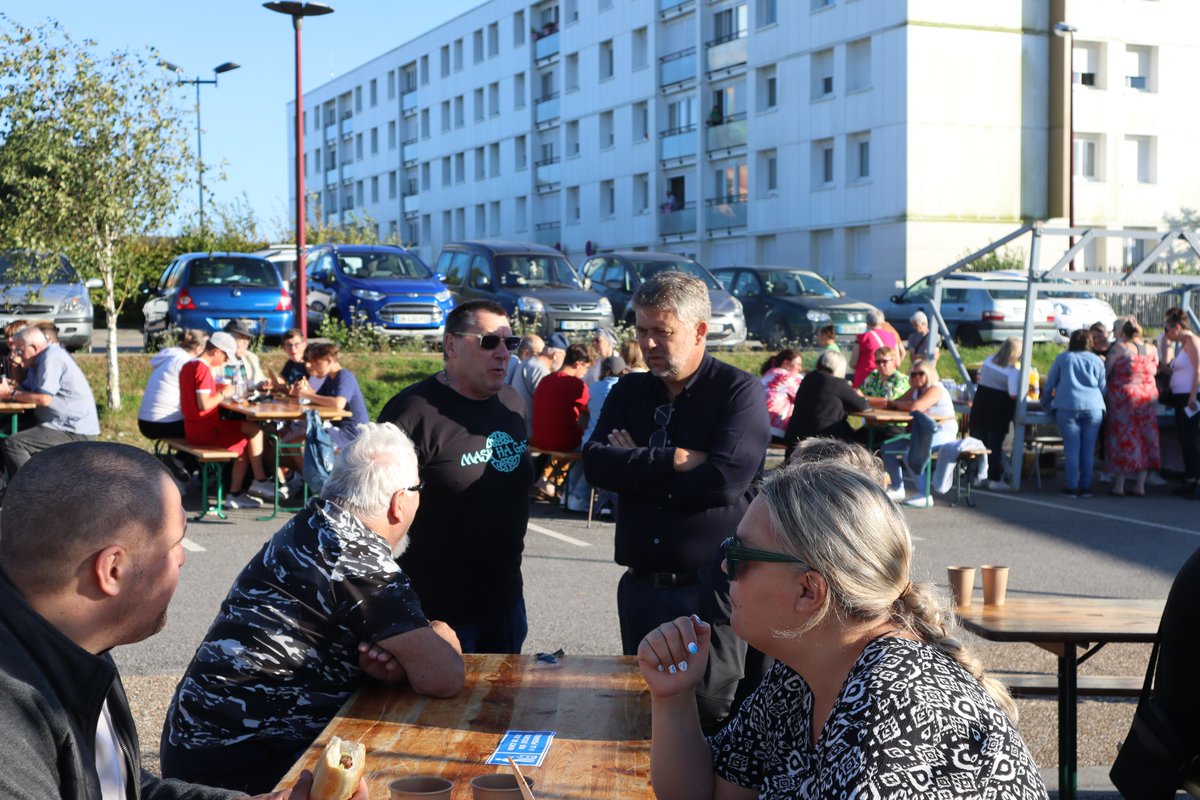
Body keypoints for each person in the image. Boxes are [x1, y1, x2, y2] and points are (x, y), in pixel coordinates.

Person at [636, 459, 1046, 799]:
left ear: (808, 590)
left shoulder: (895, 715)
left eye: (739, 552)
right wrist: (673, 698)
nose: (725, 566)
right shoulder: (802, 673)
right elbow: (708, 795)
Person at [0, 441, 337, 800]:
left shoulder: (78, 642)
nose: (181, 559)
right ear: (112, 569)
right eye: (174, 544)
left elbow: (125, 790)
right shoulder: (10, 726)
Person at [160, 423, 463, 794]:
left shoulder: (316, 522)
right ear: (399, 502)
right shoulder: (358, 557)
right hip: (240, 766)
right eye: (419, 490)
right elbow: (444, 675)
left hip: (195, 746)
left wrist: (391, 665)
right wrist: (442, 631)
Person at [582, 271, 770, 728]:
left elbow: (723, 480)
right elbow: (595, 464)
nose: (647, 344)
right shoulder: (629, 391)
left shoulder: (737, 392)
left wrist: (636, 466)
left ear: (699, 330)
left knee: (711, 716)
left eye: (661, 332)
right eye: (641, 331)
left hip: (711, 592)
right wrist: (676, 459)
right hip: (642, 590)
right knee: (644, 717)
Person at [378, 300, 534, 653]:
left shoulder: (512, 404)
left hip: (506, 603)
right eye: (488, 342)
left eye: (510, 343)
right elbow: (373, 512)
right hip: (436, 614)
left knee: (502, 706)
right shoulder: (413, 412)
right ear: (451, 345)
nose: (502, 353)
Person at [179, 332, 276, 508]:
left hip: (194, 428)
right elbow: (204, 404)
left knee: (249, 431)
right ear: (217, 351)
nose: (224, 362)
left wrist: (220, 388)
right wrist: (224, 393)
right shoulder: (202, 369)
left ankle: (242, 490)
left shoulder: (188, 366)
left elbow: (198, 394)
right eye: (225, 356)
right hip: (207, 431)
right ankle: (254, 483)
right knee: (252, 432)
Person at [0, 325, 100, 479]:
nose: (17, 354)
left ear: (33, 347)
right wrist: (15, 368)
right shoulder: (36, 360)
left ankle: (30, 493)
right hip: (57, 424)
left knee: (14, 444)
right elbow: (25, 388)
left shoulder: (51, 357)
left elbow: (44, 398)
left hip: (73, 429)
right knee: (5, 430)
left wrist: (10, 394)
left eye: (19, 351)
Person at [880, 358, 959, 507]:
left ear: (929, 373)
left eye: (920, 373)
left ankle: (925, 495)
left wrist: (899, 404)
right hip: (921, 432)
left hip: (942, 432)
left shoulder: (936, 389)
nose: (916, 377)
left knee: (911, 452)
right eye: (913, 374)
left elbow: (914, 407)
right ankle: (897, 488)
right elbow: (896, 403)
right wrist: (898, 404)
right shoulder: (916, 390)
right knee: (887, 448)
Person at [1044, 329, 1107, 498]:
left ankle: (1071, 486)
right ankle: (1086, 487)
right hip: (1094, 407)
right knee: (1088, 450)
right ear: (1090, 343)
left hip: (1068, 406)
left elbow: (1050, 384)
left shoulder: (1063, 359)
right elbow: (1103, 387)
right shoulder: (1097, 360)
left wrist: (1046, 404)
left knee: (1072, 449)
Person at [566, 354, 627, 515]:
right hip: (606, 440)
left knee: (581, 465)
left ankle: (568, 496)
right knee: (597, 469)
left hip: (588, 436)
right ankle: (579, 498)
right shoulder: (619, 387)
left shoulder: (595, 386)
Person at [1105, 319, 1160, 497]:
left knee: (1124, 438)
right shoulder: (1151, 348)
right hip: (1148, 397)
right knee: (1145, 438)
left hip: (1124, 399)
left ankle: (1119, 485)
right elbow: (1156, 369)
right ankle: (1140, 485)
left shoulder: (1120, 347)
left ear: (1124, 333)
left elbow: (1107, 370)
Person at [781, 349, 868, 458]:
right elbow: (863, 406)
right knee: (867, 438)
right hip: (826, 436)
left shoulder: (809, 378)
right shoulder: (837, 382)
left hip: (796, 435)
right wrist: (860, 396)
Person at [289, 342, 370, 448]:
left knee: (298, 443)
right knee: (293, 441)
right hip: (338, 429)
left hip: (352, 434)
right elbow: (317, 398)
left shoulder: (345, 377)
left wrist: (308, 395)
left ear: (329, 361)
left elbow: (338, 404)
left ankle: (311, 465)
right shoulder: (330, 378)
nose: (313, 367)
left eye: (316, 364)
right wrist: (304, 391)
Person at [969, 336, 1023, 490]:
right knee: (995, 446)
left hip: (981, 406)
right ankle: (994, 478)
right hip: (998, 410)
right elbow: (1013, 394)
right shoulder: (1012, 372)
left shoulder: (988, 360)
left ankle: (977, 475)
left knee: (980, 444)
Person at [138, 329, 208, 440]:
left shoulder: (171, 357)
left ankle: (184, 456)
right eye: (207, 349)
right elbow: (197, 399)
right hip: (163, 423)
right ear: (199, 349)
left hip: (145, 421)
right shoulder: (186, 363)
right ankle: (189, 457)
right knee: (207, 428)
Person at [1161, 307, 1200, 498]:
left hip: (1188, 396)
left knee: (1189, 439)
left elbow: (1199, 369)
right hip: (1179, 396)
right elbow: (1168, 368)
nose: (1166, 333)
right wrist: (1164, 345)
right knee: (1184, 439)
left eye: (1166, 329)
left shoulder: (1192, 340)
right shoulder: (1182, 345)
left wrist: (1193, 396)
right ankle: (1190, 477)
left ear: (1176, 327)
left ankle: (1195, 480)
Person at [512, 332, 562, 435]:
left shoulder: (527, 363)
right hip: (530, 433)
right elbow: (548, 406)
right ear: (556, 355)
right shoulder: (540, 369)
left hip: (519, 427)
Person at [850, 308, 899, 388]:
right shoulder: (892, 336)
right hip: (887, 380)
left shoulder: (862, 338)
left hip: (866, 381)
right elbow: (897, 362)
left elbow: (853, 363)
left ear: (867, 322)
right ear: (883, 322)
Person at [759, 349, 802, 439]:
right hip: (776, 429)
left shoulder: (768, 374)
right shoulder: (789, 377)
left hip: (758, 421)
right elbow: (804, 395)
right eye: (797, 364)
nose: (800, 368)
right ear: (786, 363)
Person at [224, 319, 266, 387]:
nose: (245, 343)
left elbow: (259, 380)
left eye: (247, 339)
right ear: (228, 339)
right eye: (241, 338)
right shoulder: (215, 359)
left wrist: (265, 383)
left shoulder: (251, 358)